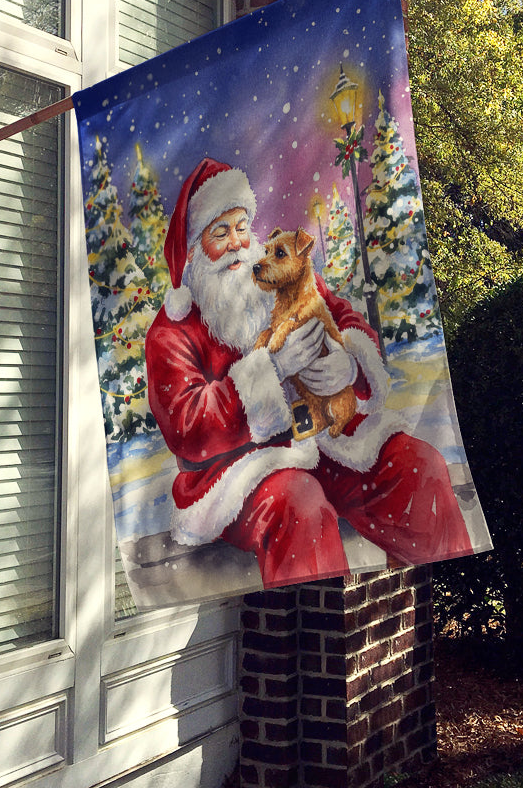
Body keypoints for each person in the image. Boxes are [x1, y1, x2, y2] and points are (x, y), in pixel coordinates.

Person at [145, 157, 472, 588]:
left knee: (418, 466)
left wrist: (348, 360)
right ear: (193, 251)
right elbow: (188, 425)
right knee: (300, 506)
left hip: (321, 441)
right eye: (219, 233)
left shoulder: (280, 278)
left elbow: (345, 318)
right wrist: (269, 370)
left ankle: (429, 614)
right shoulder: (172, 331)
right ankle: (322, 644)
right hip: (239, 473)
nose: (237, 244)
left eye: (242, 226)